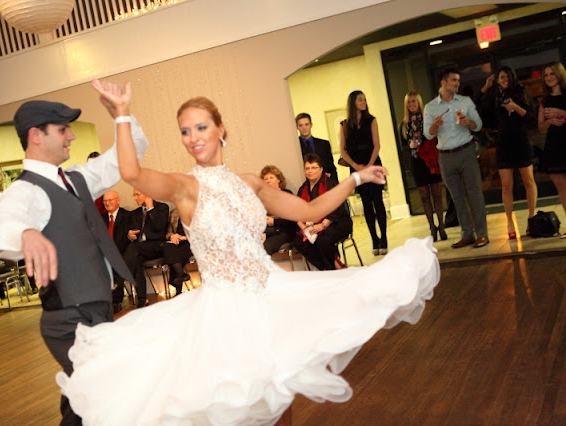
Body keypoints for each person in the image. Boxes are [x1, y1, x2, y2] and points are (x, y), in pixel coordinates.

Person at [56, 79, 439, 425]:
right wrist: (121, 116)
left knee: (281, 397)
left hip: (273, 296)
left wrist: (356, 178)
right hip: (226, 313)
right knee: (245, 408)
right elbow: (133, 173)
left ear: (221, 129)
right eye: (185, 131)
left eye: (201, 127)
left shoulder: (250, 183)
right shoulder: (186, 188)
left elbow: (308, 210)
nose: (193, 137)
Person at [0, 89, 148, 425]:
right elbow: (0, 226)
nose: (71, 135)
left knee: (83, 399)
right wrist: (26, 233)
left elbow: (129, 154)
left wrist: (121, 112)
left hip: (98, 307)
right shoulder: (24, 190)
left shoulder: (77, 178)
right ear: (36, 136)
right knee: (106, 390)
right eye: (62, 130)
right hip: (68, 318)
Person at [424, 68, 489, 249]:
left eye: (458, 80)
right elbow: (427, 135)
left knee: (474, 194)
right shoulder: (430, 107)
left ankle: (482, 234)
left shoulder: (465, 101)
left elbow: (479, 126)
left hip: (466, 152)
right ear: (444, 82)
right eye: (454, 80)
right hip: (445, 157)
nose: (457, 83)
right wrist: (434, 126)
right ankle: (467, 234)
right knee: (457, 198)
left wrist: (469, 122)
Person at [477, 66, 537, 239]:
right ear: (497, 80)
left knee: (528, 180)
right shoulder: (494, 96)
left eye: (507, 77)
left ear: (512, 77)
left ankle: (531, 218)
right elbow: (479, 110)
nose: (505, 80)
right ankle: (510, 221)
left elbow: (531, 117)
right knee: (506, 185)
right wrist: (484, 88)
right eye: (501, 77)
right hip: (504, 143)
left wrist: (514, 106)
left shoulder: (521, 91)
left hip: (521, 140)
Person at [340, 90, 388, 255]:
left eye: (365, 99)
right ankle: (374, 239)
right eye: (361, 99)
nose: (364, 102)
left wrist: (369, 165)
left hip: (372, 165)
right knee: (366, 204)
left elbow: (377, 145)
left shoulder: (371, 120)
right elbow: (343, 150)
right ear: (353, 102)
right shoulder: (345, 125)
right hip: (357, 168)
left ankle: (384, 237)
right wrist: (355, 166)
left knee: (378, 201)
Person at [399, 91, 447, 242]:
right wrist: (410, 145)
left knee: (437, 194)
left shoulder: (427, 120)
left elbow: (435, 137)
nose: (412, 104)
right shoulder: (404, 125)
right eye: (409, 102)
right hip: (417, 162)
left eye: (414, 101)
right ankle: (432, 227)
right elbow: (403, 147)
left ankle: (441, 226)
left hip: (431, 160)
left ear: (419, 103)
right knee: (424, 197)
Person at [293, 154, 351, 270]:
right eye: (307, 168)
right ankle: (327, 265)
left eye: (314, 167)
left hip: (336, 223)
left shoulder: (331, 183)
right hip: (312, 225)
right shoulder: (303, 188)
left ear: (321, 169)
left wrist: (322, 225)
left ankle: (331, 269)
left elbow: (337, 208)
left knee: (322, 240)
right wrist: (304, 228)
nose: (310, 171)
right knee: (299, 241)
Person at [123, 188, 169, 308]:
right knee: (136, 259)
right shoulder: (135, 213)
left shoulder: (162, 208)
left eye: (138, 195)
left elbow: (159, 227)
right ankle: (141, 299)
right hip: (139, 248)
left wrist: (150, 209)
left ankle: (120, 275)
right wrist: (130, 235)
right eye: (134, 195)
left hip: (157, 246)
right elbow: (132, 233)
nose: (135, 198)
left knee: (133, 249)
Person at [538, 61, 566, 237]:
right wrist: (550, 121)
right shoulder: (545, 100)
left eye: (552, 74)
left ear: (559, 74)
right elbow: (540, 126)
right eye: (546, 75)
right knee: (562, 188)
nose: (549, 77)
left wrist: (561, 112)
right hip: (554, 145)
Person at [102, 190, 132, 312]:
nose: (108, 203)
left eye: (110, 200)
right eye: (105, 201)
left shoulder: (127, 216)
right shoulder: (101, 219)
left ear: (118, 200)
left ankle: (116, 301)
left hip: (123, 251)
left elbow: (128, 238)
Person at [259, 165, 298, 255]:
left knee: (265, 248)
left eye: (271, 178)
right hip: (266, 232)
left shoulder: (287, 195)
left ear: (279, 179)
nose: (268, 181)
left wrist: (274, 222)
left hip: (284, 232)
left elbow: (293, 219)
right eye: (265, 179)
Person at [296, 113, 338, 181]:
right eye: (301, 125)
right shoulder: (295, 147)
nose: (304, 128)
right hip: (305, 182)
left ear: (311, 125)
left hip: (325, 181)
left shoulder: (324, 144)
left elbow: (331, 166)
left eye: (306, 124)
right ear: (297, 127)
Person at [162, 208, 193, 295]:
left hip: (191, 242)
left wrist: (183, 237)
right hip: (177, 242)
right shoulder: (174, 213)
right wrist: (172, 236)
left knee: (176, 255)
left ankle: (178, 287)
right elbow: (168, 233)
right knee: (167, 246)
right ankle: (181, 274)